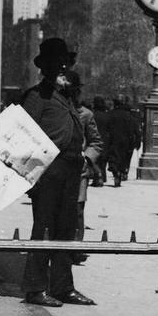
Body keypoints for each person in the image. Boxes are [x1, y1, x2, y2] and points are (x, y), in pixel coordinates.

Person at [17, 37, 94, 307]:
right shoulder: (36, 97)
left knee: (65, 229)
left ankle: (63, 286)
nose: (65, 73)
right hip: (48, 172)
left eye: (66, 67)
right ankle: (36, 288)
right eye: (59, 69)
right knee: (45, 229)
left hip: (70, 171)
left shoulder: (67, 98)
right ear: (48, 70)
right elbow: (21, 134)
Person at [62, 70, 104, 266]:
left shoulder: (86, 114)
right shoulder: (57, 111)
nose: (73, 95)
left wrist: (87, 159)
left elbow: (96, 142)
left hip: (79, 171)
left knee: (77, 209)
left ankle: (76, 248)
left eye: (76, 92)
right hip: (58, 168)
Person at [98, 95, 140, 187]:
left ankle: (116, 173)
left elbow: (106, 128)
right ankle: (120, 173)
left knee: (113, 159)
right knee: (123, 159)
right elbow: (131, 130)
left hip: (113, 140)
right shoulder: (128, 116)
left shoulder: (109, 114)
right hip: (125, 141)